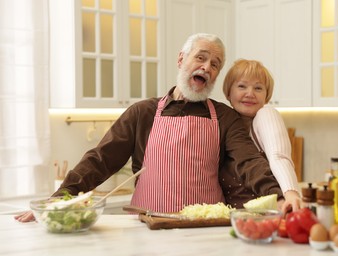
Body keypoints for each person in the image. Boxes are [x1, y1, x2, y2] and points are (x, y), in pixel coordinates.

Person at [15, 33, 284, 223]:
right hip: (146, 226)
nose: (207, 66)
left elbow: (249, 161)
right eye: (200, 57)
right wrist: (62, 197)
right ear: (181, 60)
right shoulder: (142, 113)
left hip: (205, 228)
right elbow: (100, 160)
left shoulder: (225, 117)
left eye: (215, 64)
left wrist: (279, 197)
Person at [221, 59, 301, 213]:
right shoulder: (225, 125)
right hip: (236, 221)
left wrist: (290, 194)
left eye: (258, 88)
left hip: (271, 215)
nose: (250, 94)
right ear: (228, 92)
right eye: (242, 86)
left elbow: (279, 156)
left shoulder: (266, 115)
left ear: (267, 95)